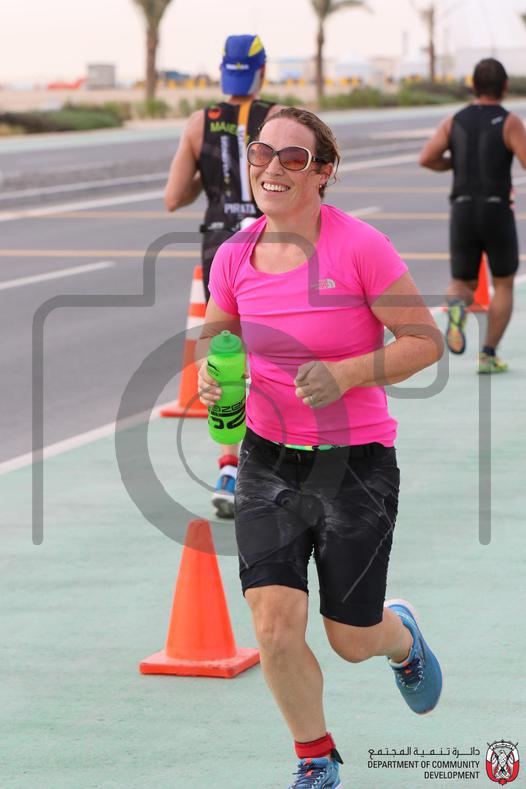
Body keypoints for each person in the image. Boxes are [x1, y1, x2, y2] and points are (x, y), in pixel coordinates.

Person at [196, 107, 444, 789]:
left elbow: (425, 341)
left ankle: (401, 637)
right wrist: (214, 375)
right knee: (274, 624)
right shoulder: (234, 254)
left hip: (356, 463)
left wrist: (348, 373)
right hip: (267, 458)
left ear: (323, 172)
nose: (272, 168)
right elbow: (218, 338)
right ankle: (315, 757)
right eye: (262, 153)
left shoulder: (360, 246)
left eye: (294, 158)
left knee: (351, 639)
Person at [164, 35, 282, 517]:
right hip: (270, 238)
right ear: (262, 71)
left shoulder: (200, 122)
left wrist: (210, 173)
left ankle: (229, 468)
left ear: (222, 71)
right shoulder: (280, 118)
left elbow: (174, 197)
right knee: (279, 349)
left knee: (226, 357)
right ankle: (279, 460)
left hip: (221, 245)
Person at [419, 58, 526, 373]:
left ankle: (456, 308)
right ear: (504, 86)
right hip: (496, 208)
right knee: (503, 283)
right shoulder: (509, 122)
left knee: (462, 281)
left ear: (473, 86)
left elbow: (427, 158)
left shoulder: (454, 120)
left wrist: (456, 163)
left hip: (462, 208)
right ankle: (488, 354)